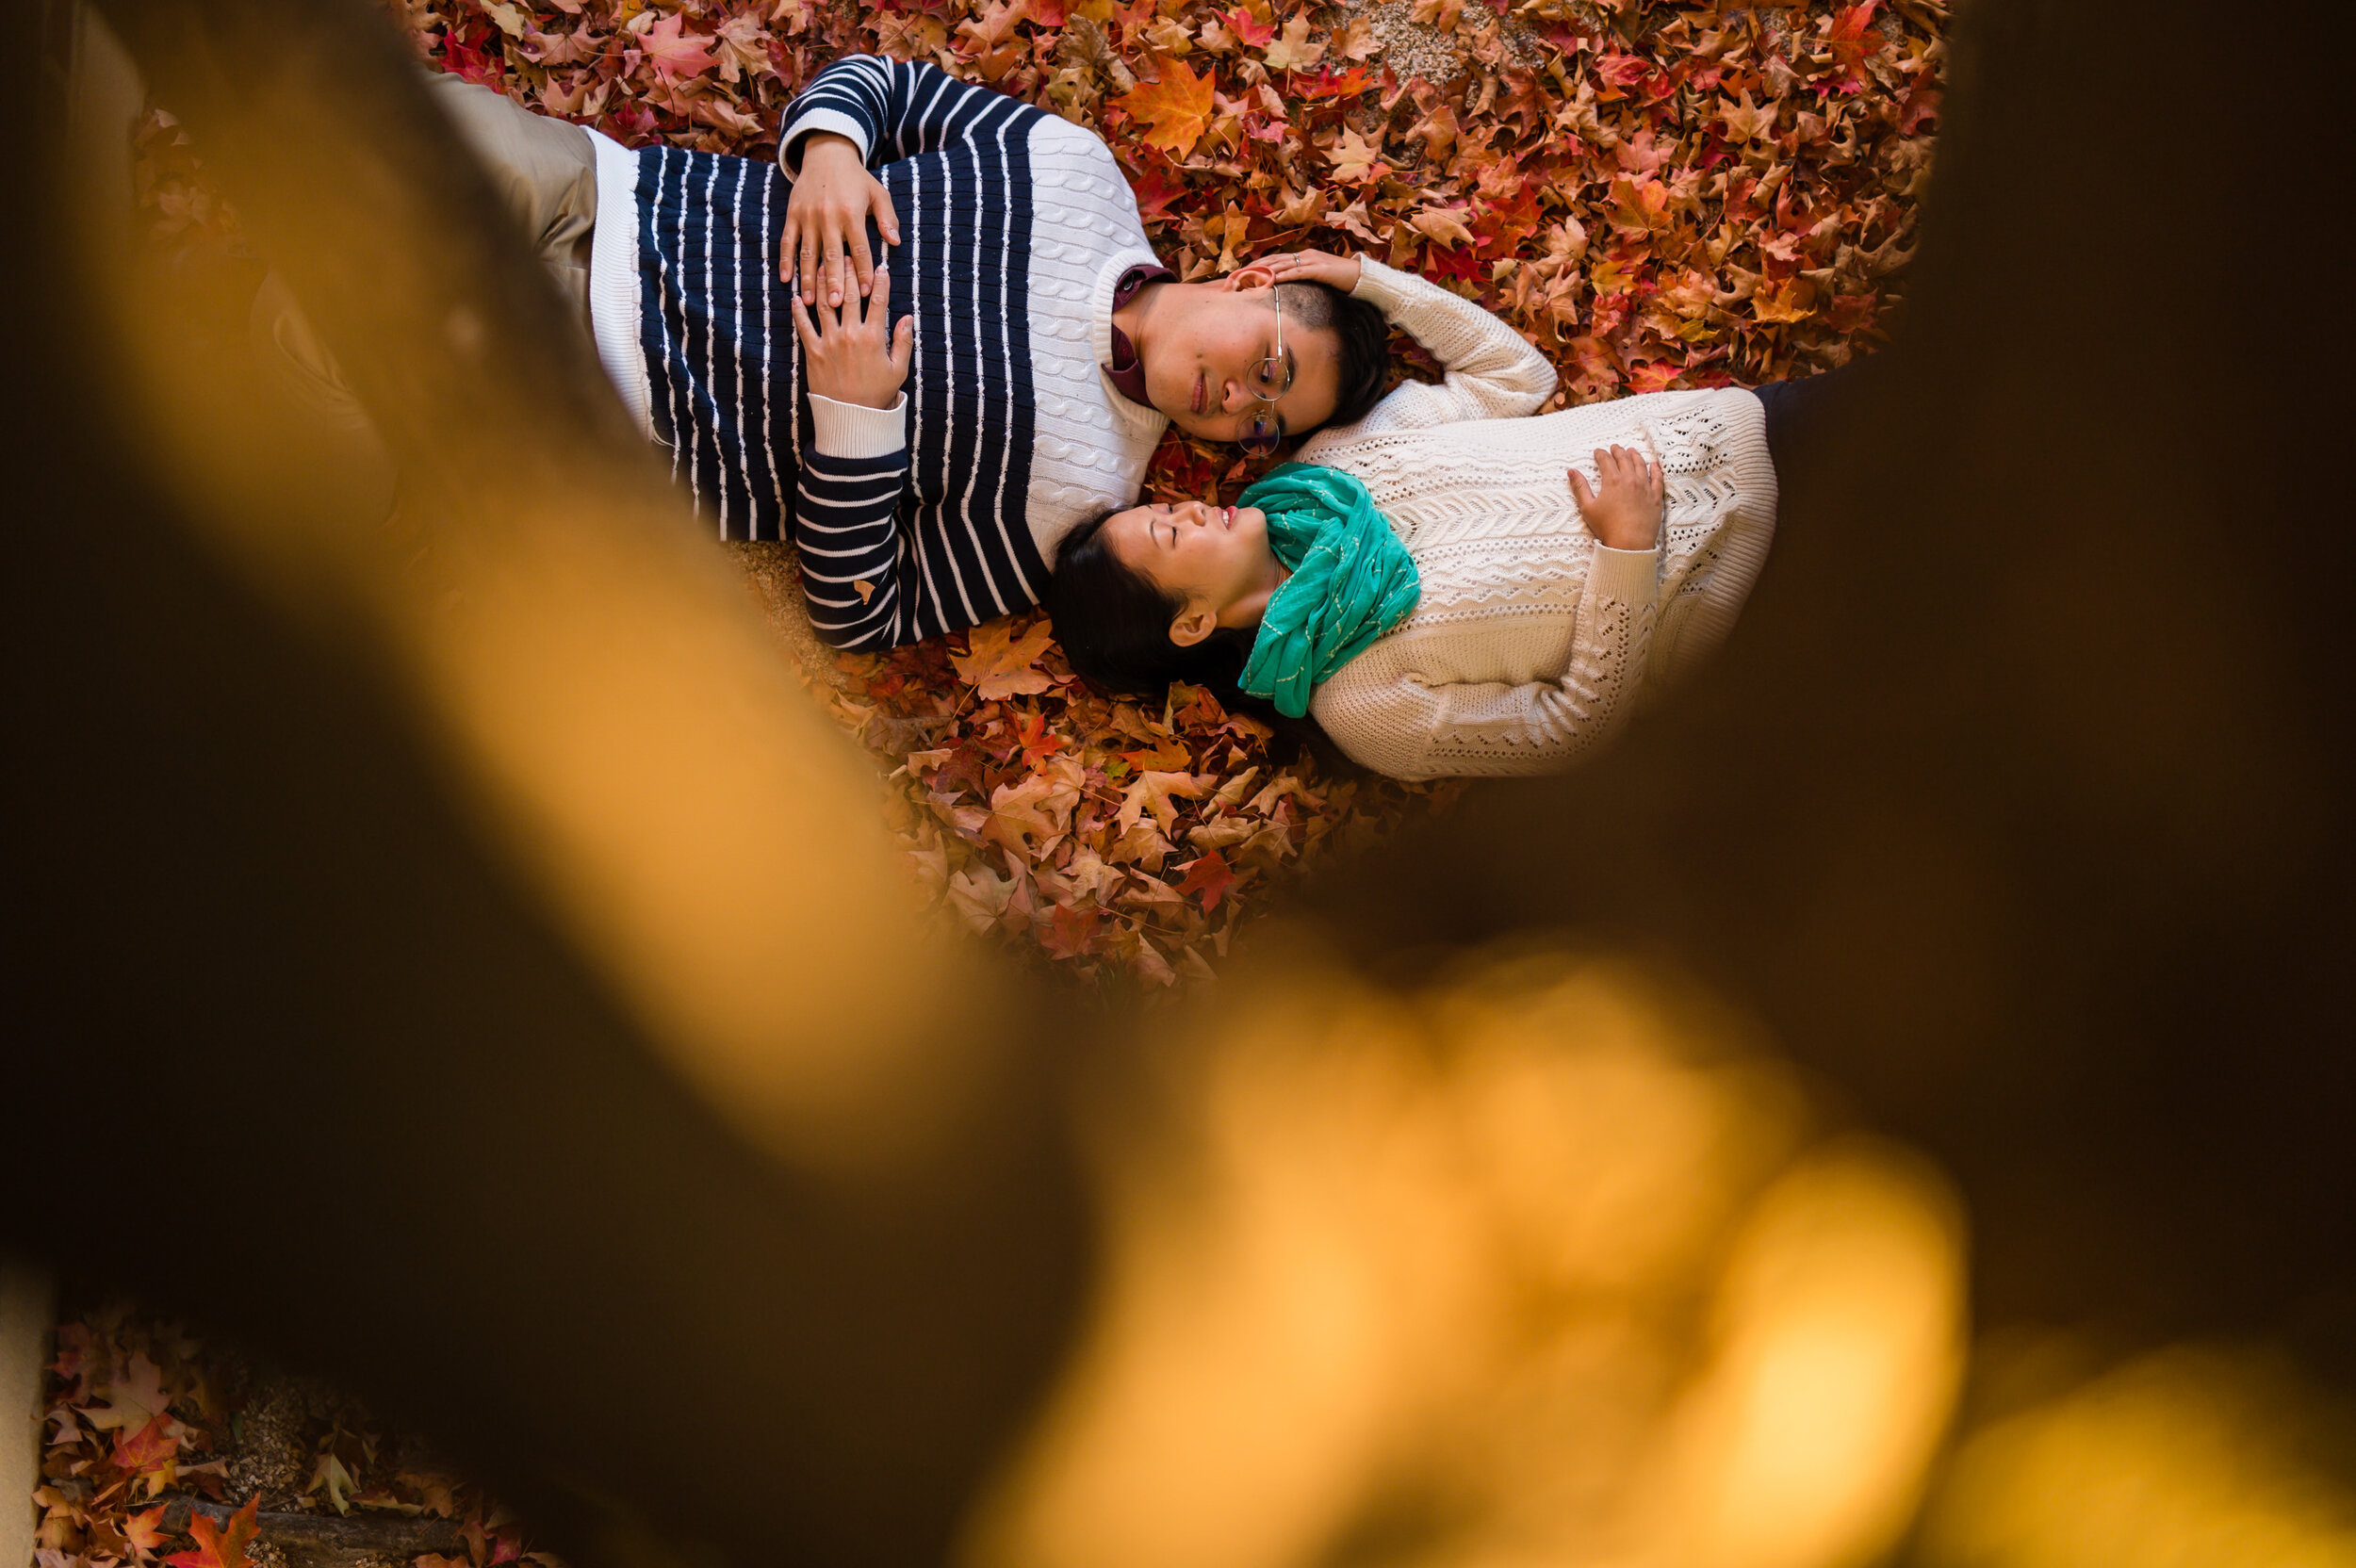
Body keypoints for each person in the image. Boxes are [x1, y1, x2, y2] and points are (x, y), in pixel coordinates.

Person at [250, 60, 1392, 651]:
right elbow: (880, 84)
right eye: (1271, 366)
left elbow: (864, 609)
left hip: (595, 395)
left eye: (1261, 424)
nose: (1239, 398)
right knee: (370, 124)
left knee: (311, 352)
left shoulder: (1080, 496)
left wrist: (856, 420)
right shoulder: (1075, 174)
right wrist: (838, 147)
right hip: (620, 198)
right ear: (1255, 284)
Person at [1048, 250, 1818, 781]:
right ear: (1190, 623)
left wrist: (1368, 279)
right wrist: (1627, 550)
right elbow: (1569, 729)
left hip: (1755, 429)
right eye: (1166, 532)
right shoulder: (1363, 709)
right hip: (1763, 594)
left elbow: (1516, 375)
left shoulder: (1329, 468)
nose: (1186, 508)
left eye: (1167, 507)